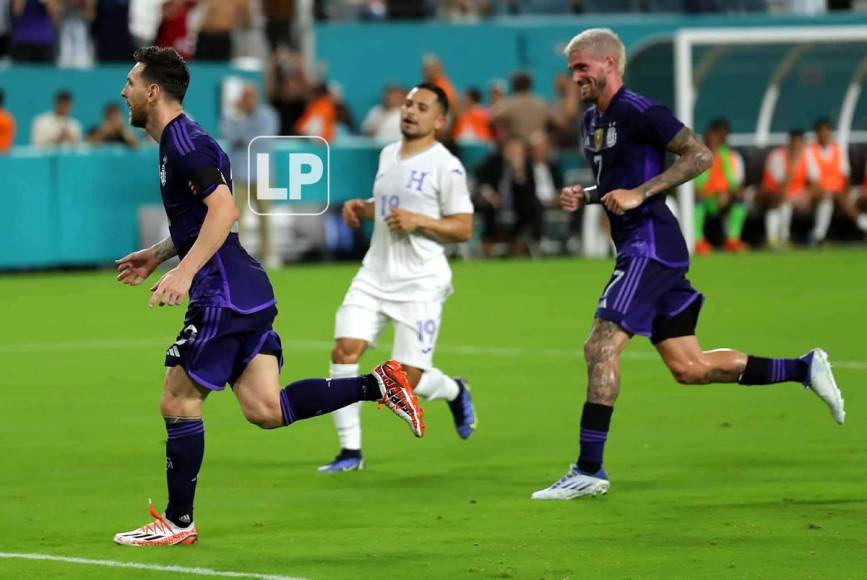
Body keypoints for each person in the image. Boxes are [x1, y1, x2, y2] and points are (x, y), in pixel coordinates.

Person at [112, 46, 424, 546]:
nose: (123, 91)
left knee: (177, 400)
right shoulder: (187, 139)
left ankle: (177, 522)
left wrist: (185, 273)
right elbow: (202, 218)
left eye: (129, 82)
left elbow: (224, 212)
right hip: (247, 290)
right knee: (265, 409)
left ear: (152, 91)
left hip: (222, 293)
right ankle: (377, 385)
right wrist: (157, 253)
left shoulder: (184, 145)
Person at [531, 28, 844, 501]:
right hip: (644, 245)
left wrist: (641, 193)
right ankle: (803, 368)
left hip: (649, 245)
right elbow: (620, 185)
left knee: (599, 347)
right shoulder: (592, 121)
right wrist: (588, 195)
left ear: (609, 64)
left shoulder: (640, 110)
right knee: (690, 367)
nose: (574, 77)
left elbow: (699, 155)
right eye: (571, 68)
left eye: (581, 68)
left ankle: (589, 470)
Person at [319, 83, 476, 473]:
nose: (410, 111)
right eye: (408, 104)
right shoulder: (388, 153)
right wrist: (363, 208)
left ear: (439, 121)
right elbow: (391, 207)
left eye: (422, 107)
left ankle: (455, 390)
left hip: (421, 282)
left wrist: (419, 221)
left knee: (407, 378)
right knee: (344, 351)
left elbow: (464, 228)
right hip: (375, 273)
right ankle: (350, 451)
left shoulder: (447, 166)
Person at [219, 82, 279, 266]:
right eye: (244, 96)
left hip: (262, 171)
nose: (247, 100)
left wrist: (242, 136)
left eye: (250, 96)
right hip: (240, 173)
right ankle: (240, 255)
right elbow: (228, 135)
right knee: (238, 217)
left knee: (266, 215)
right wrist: (240, 120)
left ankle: (269, 254)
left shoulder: (267, 115)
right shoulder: (232, 116)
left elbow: (262, 140)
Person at [807, 118, 867, 242]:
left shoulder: (838, 149)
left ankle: (818, 235)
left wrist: (846, 191)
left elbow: (845, 174)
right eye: (821, 131)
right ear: (817, 133)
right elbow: (813, 177)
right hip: (819, 190)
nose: (824, 134)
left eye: (826, 131)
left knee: (842, 198)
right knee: (827, 197)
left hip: (839, 191)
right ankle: (819, 235)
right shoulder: (810, 151)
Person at [693, 118, 748, 254]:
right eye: (715, 135)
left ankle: (732, 240)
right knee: (696, 200)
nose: (716, 139)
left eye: (722, 136)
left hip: (723, 198)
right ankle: (698, 241)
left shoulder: (732, 157)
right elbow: (688, 185)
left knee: (740, 199)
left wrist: (729, 193)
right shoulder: (694, 156)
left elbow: (737, 184)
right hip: (703, 198)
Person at [760, 129, 818, 247]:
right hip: (773, 192)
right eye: (794, 142)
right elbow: (782, 186)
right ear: (789, 142)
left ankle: (818, 237)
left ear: (803, 144)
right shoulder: (777, 156)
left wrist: (806, 195)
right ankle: (773, 238)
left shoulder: (807, 155)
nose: (796, 146)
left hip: (796, 194)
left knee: (825, 194)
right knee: (782, 200)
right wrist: (793, 162)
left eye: (799, 143)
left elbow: (815, 180)